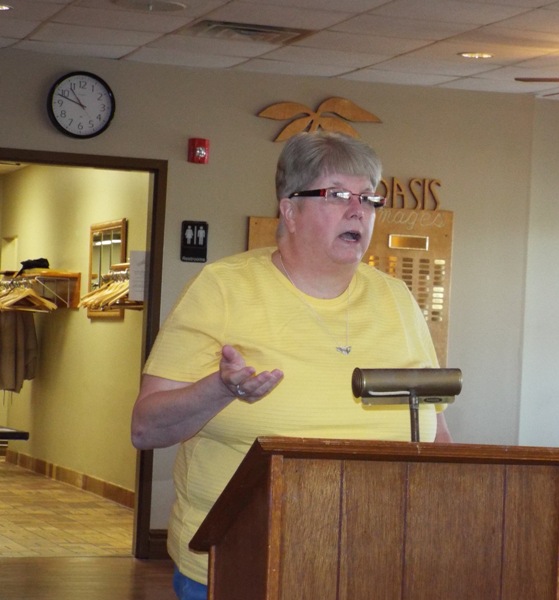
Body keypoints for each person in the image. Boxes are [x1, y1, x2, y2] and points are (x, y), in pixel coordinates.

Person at [130, 131, 452, 600]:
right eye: (337, 195)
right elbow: (146, 428)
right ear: (289, 210)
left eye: (368, 198)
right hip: (242, 565)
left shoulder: (397, 299)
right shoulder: (223, 288)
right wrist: (221, 389)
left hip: (375, 564)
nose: (357, 211)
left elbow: (435, 431)